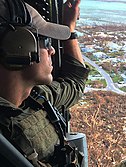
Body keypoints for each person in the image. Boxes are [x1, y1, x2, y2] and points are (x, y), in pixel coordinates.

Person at [0, 0, 89, 166]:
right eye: (46, 42)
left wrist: (70, 31)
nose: (52, 50)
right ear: (19, 46)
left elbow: (75, 83)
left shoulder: (37, 98)